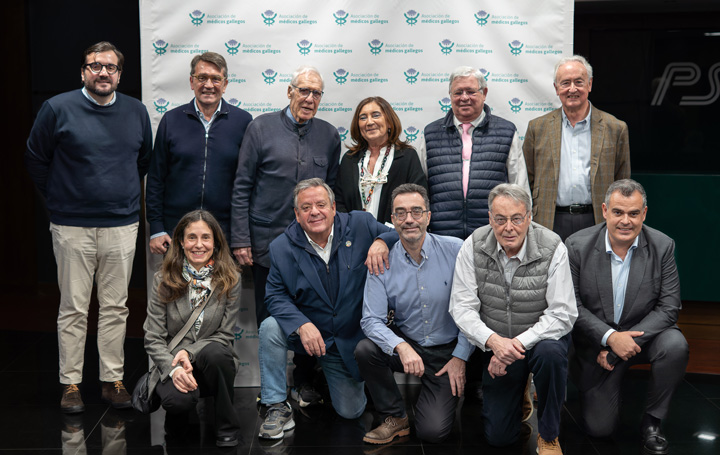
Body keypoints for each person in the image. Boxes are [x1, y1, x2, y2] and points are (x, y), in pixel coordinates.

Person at [24, 41, 152, 413]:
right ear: (83, 72)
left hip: (122, 225)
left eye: (110, 67)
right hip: (71, 226)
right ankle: (71, 384)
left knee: (116, 307)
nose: (103, 73)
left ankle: (113, 381)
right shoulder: (57, 108)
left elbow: (142, 161)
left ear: (119, 74)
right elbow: (35, 158)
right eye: (95, 66)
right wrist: (62, 198)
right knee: (74, 308)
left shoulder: (136, 111)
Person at [231, 65, 340, 407]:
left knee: (313, 314)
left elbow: (333, 192)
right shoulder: (260, 127)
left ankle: (305, 381)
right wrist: (240, 239)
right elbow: (242, 186)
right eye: (303, 91)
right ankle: (273, 392)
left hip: (313, 246)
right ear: (289, 92)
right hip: (265, 245)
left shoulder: (328, 134)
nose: (309, 98)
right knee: (270, 319)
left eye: (316, 93)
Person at [257, 178, 395, 440]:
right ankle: (275, 405)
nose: (314, 212)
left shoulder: (361, 224)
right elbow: (275, 296)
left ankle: (323, 376)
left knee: (352, 412)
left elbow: (398, 232)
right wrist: (301, 324)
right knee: (270, 327)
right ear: (297, 215)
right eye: (306, 207)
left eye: (321, 204)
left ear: (333, 207)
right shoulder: (280, 248)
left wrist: (382, 241)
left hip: (344, 341)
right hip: (308, 335)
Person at [449, 183, 577, 455]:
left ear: (529, 217)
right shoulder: (473, 245)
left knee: (551, 353)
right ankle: (520, 394)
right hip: (496, 346)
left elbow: (562, 313)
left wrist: (511, 346)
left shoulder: (553, 246)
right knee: (499, 438)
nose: (509, 227)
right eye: (500, 219)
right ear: (490, 219)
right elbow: (462, 307)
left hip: (539, 342)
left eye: (517, 218)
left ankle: (549, 434)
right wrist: (494, 342)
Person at [565, 179, 688, 455]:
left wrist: (619, 347)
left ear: (644, 214)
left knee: (674, 345)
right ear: (605, 210)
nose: (626, 221)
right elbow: (571, 307)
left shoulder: (662, 246)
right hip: (596, 344)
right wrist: (609, 340)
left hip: (643, 338)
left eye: (634, 214)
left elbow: (669, 307)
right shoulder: (576, 246)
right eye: (618, 212)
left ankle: (653, 422)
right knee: (600, 430)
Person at [356, 184, 473, 444]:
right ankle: (395, 417)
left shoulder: (457, 250)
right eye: (401, 213)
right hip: (410, 344)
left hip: (448, 353)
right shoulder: (381, 261)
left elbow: (474, 309)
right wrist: (400, 346)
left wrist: (460, 357)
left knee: (432, 432)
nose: (409, 219)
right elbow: (370, 319)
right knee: (366, 350)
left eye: (416, 212)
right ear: (393, 220)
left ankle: (433, 400)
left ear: (428, 217)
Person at [143, 210, 242, 447]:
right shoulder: (163, 279)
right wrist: (173, 368)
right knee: (178, 405)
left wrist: (189, 352)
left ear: (216, 242)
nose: (199, 245)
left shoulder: (231, 278)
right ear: (181, 242)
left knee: (218, 353)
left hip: (211, 360)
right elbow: (153, 338)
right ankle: (177, 416)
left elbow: (225, 335)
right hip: (172, 362)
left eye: (206, 237)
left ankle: (226, 426)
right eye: (192, 238)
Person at [146, 52, 252, 252]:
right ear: (191, 82)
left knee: (222, 284)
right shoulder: (171, 120)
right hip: (176, 231)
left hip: (224, 232)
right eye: (201, 78)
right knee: (177, 284)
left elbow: (248, 183)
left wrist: (241, 236)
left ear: (225, 84)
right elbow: (155, 179)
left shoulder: (243, 122)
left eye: (216, 79)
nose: (209, 85)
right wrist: (157, 228)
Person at [523, 55, 631, 241]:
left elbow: (622, 181)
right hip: (549, 221)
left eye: (578, 82)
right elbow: (527, 178)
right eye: (565, 83)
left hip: (597, 220)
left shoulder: (615, 128)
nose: (572, 89)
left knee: (594, 271)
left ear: (589, 84)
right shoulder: (537, 128)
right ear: (556, 89)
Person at [417, 66, 530, 239]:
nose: (464, 98)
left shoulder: (506, 132)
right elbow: (419, 189)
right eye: (458, 92)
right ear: (450, 95)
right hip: (442, 236)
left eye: (470, 91)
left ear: (484, 93)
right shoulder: (430, 134)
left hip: (493, 236)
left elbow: (520, 186)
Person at [334, 96, 427, 224]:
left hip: (397, 237)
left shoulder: (407, 156)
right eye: (363, 118)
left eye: (376, 115)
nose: (369, 122)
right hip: (354, 237)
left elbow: (418, 201)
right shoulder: (349, 159)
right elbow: (339, 202)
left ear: (389, 122)